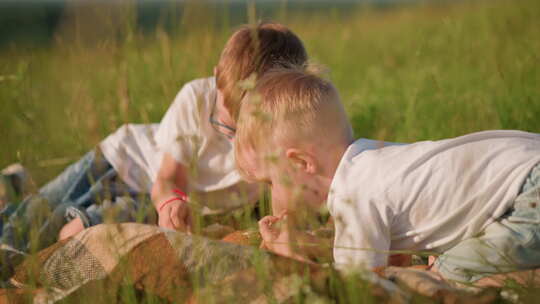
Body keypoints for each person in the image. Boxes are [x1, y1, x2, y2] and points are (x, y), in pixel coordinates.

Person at [0, 22, 308, 257]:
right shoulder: (197, 99)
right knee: (38, 210)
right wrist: (172, 203)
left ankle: (19, 185)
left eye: (247, 132)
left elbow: (281, 187)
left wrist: (285, 225)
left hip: (147, 203)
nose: (235, 140)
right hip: (126, 162)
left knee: (78, 229)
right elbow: (169, 177)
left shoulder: (287, 125)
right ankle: (10, 220)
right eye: (227, 128)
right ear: (216, 79)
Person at [234, 67, 540, 283]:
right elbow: (394, 263)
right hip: (526, 164)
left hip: (530, 195)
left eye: (270, 183)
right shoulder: (372, 160)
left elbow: (358, 288)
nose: (268, 195)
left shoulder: (352, 196)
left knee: (450, 275)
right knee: (446, 262)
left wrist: (291, 256)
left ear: (301, 163)